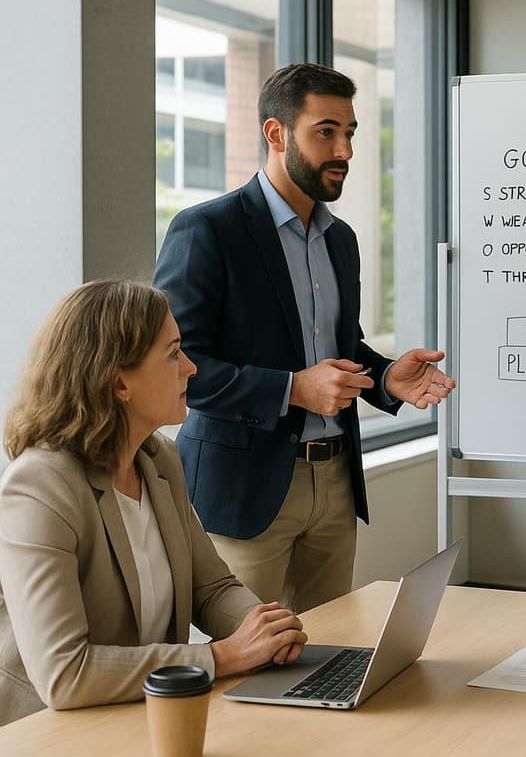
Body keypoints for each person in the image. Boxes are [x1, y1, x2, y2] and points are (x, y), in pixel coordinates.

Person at [154, 63, 455, 614]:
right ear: (277, 133)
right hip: (244, 492)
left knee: (331, 649)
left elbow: (340, 349)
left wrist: (386, 377)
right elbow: (176, 367)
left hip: (336, 483)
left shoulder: (341, 240)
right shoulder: (206, 231)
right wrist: (293, 388)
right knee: (248, 654)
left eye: (350, 133)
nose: (344, 150)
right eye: (326, 132)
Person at [0, 279, 308, 726]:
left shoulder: (158, 458)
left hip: (145, 714)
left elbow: (212, 589)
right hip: (49, 730)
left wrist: (265, 630)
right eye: (173, 354)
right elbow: (65, 674)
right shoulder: (38, 487)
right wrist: (223, 656)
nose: (191, 368)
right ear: (119, 381)